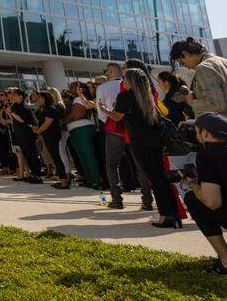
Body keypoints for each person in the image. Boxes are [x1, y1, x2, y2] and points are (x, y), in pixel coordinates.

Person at [111, 67, 183, 229]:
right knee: (161, 177)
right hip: (155, 141)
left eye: (125, 79)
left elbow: (117, 116)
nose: (123, 81)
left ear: (130, 81)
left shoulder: (125, 96)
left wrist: (104, 109)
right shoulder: (147, 96)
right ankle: (174, 213)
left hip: (140, 142)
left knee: (155, 178)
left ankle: (166, 216)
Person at [96, 62, 153, 210]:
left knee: (112, 164)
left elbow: (102, 114)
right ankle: (147, 199)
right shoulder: (141, 86)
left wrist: (106, 112)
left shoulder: (104, 88)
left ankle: (117, 199)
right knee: (140, 165)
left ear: (109, 72)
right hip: (135, 130)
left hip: (115, 129)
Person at [182, 113, 227, 274]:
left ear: (205, 133)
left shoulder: (207, 154)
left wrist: (192, 184)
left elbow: (212, 202)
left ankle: (226, 260)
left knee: (193, 199)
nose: (195, 135)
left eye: (197, 131)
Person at [171, 38, 227, 117]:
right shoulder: (223, 61)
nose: (186, 67)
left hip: (219, 126)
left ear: (186, 54)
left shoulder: (203, 68)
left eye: (182, 63)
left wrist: (191, 101)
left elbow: (216, 104)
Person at [64, 81, 102, 188]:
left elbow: (76, 114)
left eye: (72, 86)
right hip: (78, 129)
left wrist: (62, 121)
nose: (69, 88)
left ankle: (95, 179)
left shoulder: (78, 99)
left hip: (81, 129)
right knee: (83, 156)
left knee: (87, 155)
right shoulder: (78, 99)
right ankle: (90, 179)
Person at [34, 90, 70, 188]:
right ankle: (62, 179)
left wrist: (38, 131)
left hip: (52, 135)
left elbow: (47, 123)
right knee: (55, 157)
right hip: (48, 135)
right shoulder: (45, 108)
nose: (38, 99)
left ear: (45, 98)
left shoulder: (51, 108)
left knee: (56, 157)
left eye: (40, 97)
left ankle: (64, 181)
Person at [7, 87, 43, 184]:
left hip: (27, 134)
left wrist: (11, 112)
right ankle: (32, 174)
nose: (12, 97)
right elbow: (15, 119)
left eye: (14, 95)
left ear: (21, 96)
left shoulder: (23, 106)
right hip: (20, 134)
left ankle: (37, 175)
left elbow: (22, 120)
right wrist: (10, 111)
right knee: (27, 155)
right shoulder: (16, 106)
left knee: (32, 154)